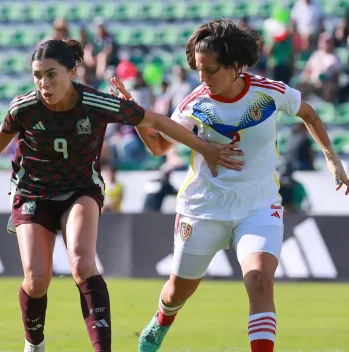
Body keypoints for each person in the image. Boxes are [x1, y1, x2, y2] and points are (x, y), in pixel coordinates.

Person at [0, 39, 244, 352]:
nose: (44, 83)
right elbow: (5, 131)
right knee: (37, 279)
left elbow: (156, 121)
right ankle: (34, 345)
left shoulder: (96, 103)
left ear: (73, 72)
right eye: (37, 75)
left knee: (81, 264)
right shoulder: (25, 106)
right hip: (33, 192)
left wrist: (204, 148)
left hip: (80, 189)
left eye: (52, 74)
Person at [111, 19, 349, 352]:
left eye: (209, 70)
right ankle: (162, 320)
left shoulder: (269, 93)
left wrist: (331, 158)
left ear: (235, 66)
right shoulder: (195, 102)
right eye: (198, 70)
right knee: (177, 291)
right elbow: (158, 147)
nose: (202, 78)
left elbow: (308, 113)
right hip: (205, 207)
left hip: (258, 204)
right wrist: (133, 116)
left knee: (260, 279)